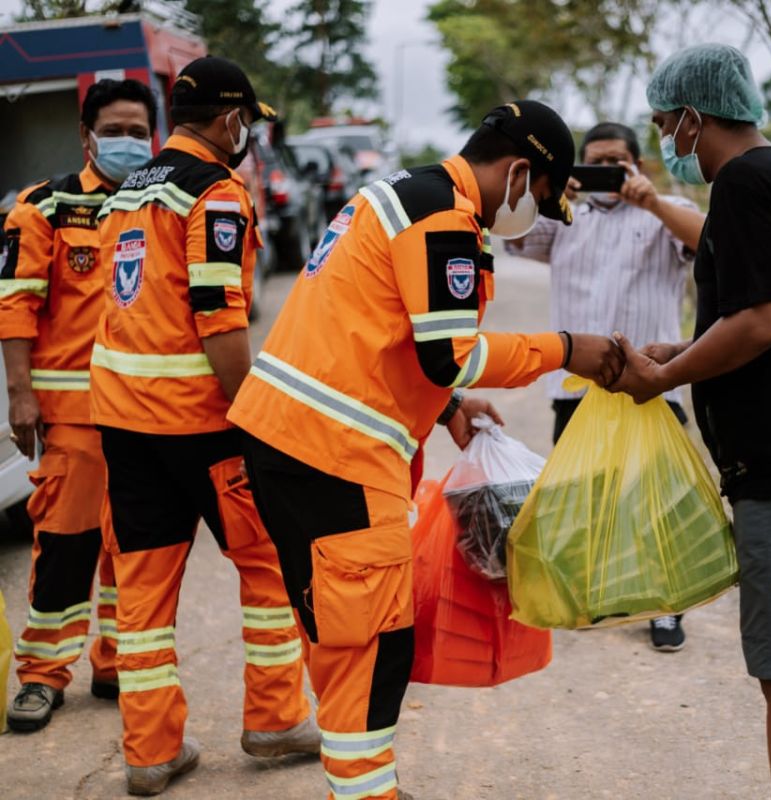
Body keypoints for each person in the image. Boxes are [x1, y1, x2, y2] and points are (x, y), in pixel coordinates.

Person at [228, 100, 624, 800]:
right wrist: (570, 350)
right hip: (333, 453)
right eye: (538, 196)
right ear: (520, 170)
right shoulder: (441, 215)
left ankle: (362, 786)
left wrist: (447, 409)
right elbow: (447, 353)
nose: (532, 212)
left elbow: (381, 329)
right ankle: (365, 793)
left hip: (293, 441)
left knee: (344, 630)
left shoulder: (406, 195)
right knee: (374, 642)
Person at [611, 44, 771, 799]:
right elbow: (764, 315)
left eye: (664, 123)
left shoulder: (747, 183)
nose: (664, 139)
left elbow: (762, 322)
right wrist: (688, 346)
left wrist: (666, 375)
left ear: (694, 117)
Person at [91, 57, 317, 795]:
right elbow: (220, 317)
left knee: (144, 595)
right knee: (268, 567)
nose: (246, 133)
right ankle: (275, 721)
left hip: (125, 427)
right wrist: (254, 414)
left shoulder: (128, 189)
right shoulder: (216, 193)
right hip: (203, 426)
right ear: (230, 121)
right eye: (246, 120)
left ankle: (151, 753)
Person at [508, 120, 707, 652]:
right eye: (591, 161)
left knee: (659, 500)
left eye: (615, 161)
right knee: (585, 494)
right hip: (576, 384)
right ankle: (600, 590)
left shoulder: (664, 210)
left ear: (637, 165)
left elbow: (709, 242)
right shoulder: (563, 214)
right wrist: (546, 195)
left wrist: (652, 203)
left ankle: (666, 607)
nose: (604, 171)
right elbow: (513, 235)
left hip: (653, 382)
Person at [0, 78, 156, 733]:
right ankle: (42, 675)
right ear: (87, 135)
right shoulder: (45, 207)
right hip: (74, 419)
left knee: (134, 551)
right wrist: (20, 395)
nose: (128, 142)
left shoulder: (161, 204)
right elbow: (16, 304)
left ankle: (114, 661)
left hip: (147, 417)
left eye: (139, 131)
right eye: (115, 130)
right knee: (65, 549)